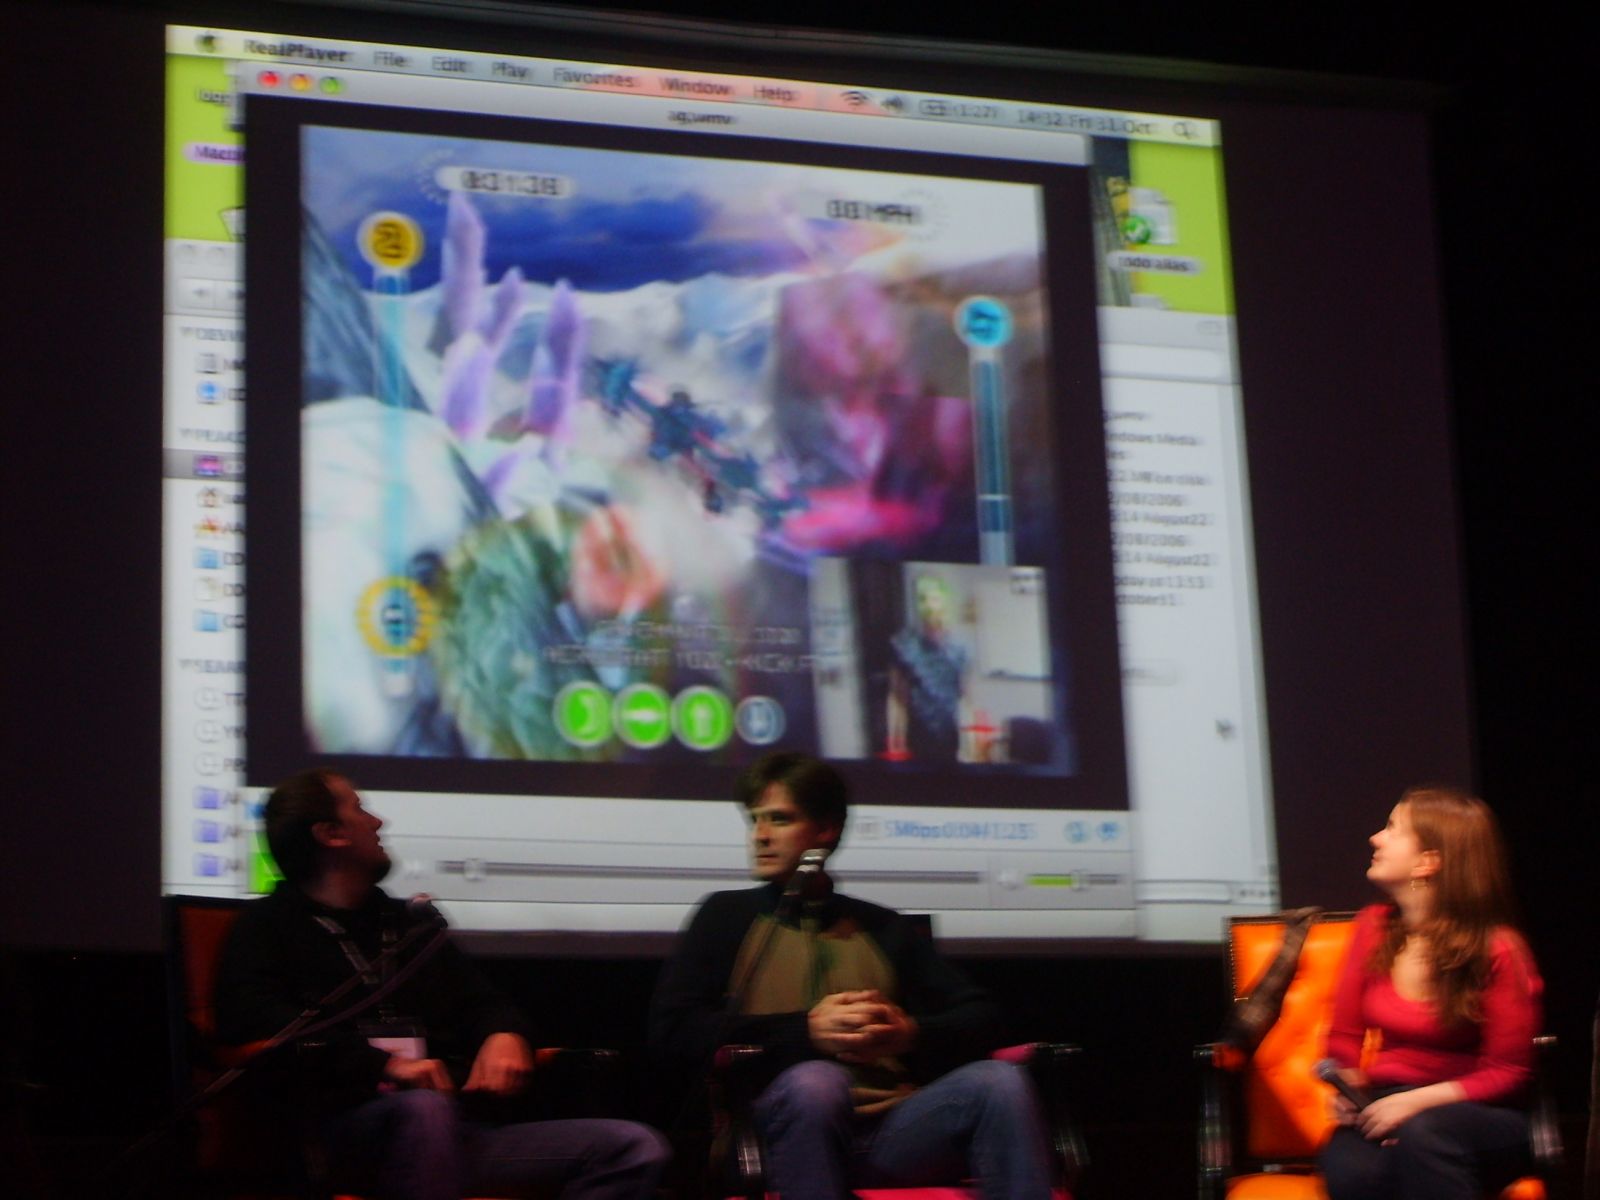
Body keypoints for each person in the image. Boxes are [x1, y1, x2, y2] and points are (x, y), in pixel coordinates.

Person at [214, 769, 668, 1200]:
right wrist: (383, 1066)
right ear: (331, 834)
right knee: (423, 1110)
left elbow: (481, 1002)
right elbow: (260, 1023)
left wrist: (504, 1034)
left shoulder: (408, 925)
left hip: (449, 1130)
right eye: (359, 809)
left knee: (632, 1147)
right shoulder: (266, 926)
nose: (378, 822)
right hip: (339, 1137)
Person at [649, 751, 1054, 1200]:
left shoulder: (882, 927)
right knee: (817, 1082)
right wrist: (806, 1033)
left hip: (890, 1135)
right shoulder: (725, 916)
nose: (760, 836)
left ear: (826, 830)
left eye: (779, 819)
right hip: (773, 1132)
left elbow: (982, 1016)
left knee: (999, 1082)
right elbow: (673, 1032)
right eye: (754, 820)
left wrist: (909, 1033)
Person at [1319, 786, 1543, 1200]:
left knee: (1426, 1137)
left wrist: (1416, 1104)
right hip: (1387, 1099)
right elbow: (1344, 1037)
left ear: (1428, 861)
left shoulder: (1498, 949)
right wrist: (1348, 1087)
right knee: (1351, 1169)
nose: (1375, 838)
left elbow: (1508, 1072)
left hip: (1477, 1112)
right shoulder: (1372, 927)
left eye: (1392, 828)